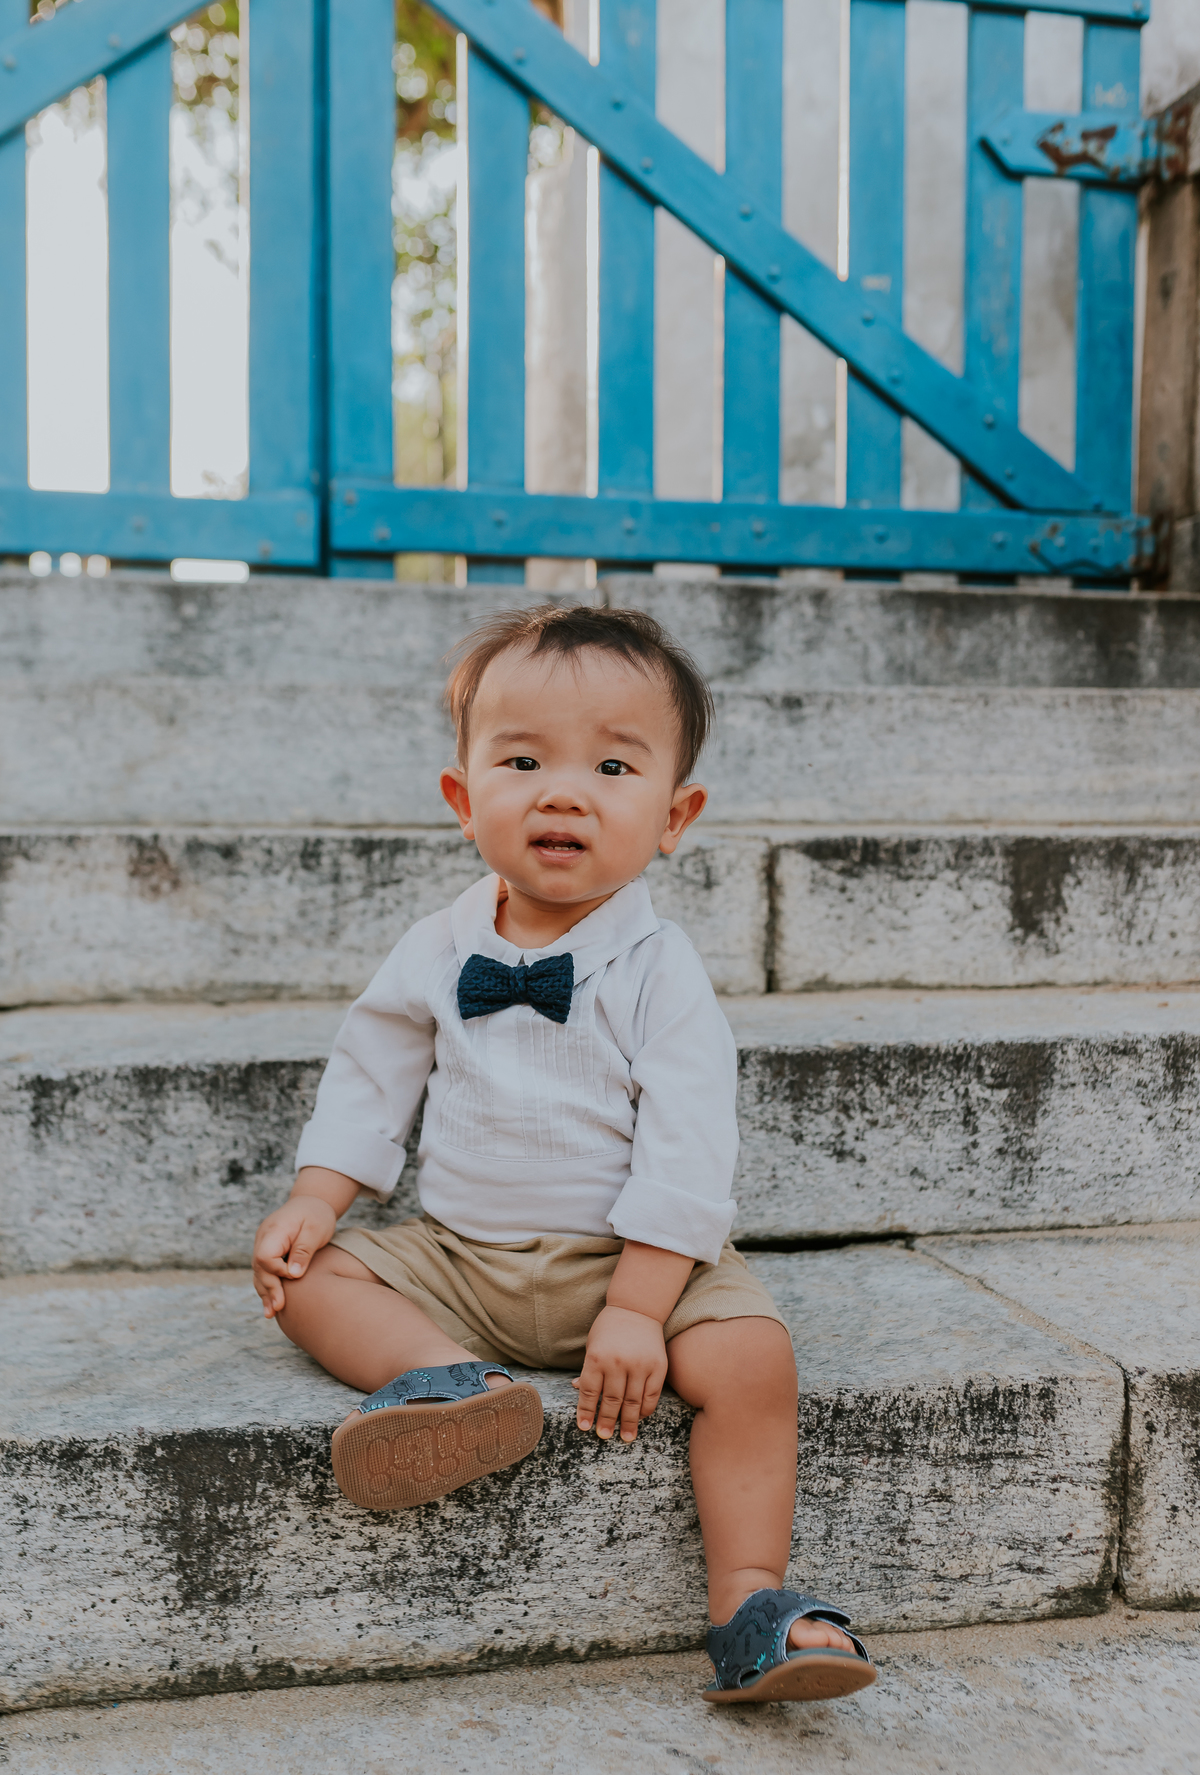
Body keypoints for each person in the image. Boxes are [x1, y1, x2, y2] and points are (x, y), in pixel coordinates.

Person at [251, 604, 875, 1705]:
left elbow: (689, 1148)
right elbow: (375, 1067)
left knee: (752, 1364)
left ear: (675, 814)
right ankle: (449, 1383)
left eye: (613, 765)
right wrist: (319, 1189)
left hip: (633, 1264)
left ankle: (749, 1603)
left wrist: (639, 1305)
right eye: (524, 758)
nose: (562, 789)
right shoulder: (439, 945)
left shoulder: (657, 969)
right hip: (463, 1259)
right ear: (463, 798)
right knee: (309, 1276)